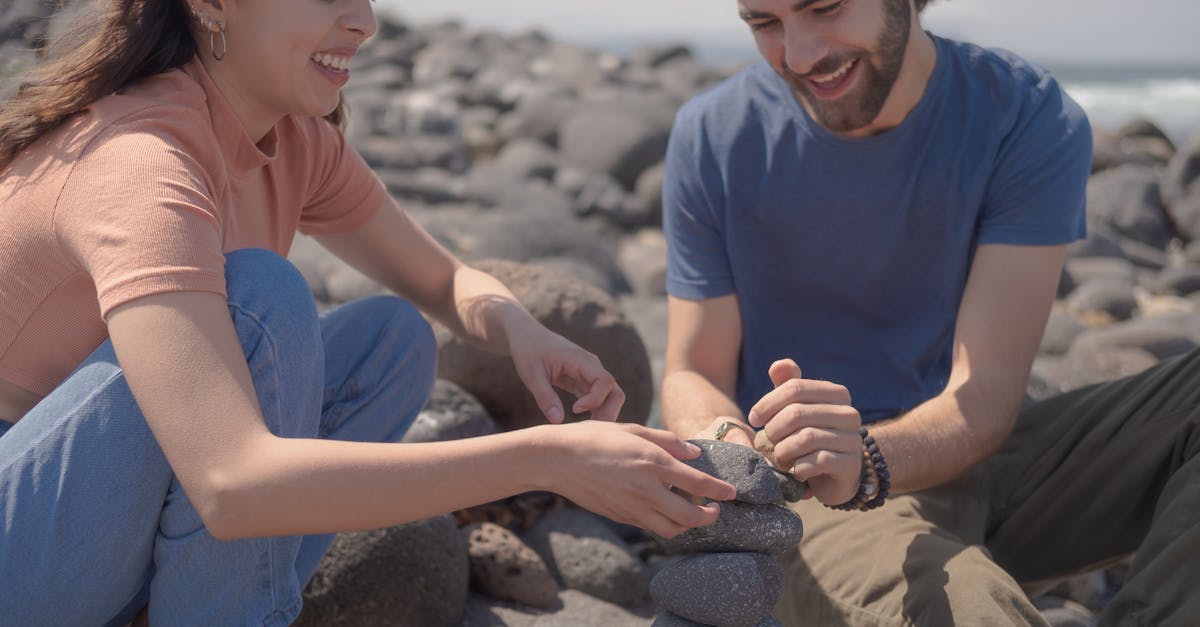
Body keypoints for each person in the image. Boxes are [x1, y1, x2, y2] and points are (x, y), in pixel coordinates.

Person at [0, 0, 739, 624]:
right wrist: (547, 458)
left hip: (100, 528)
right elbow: (230, 483)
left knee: (391, 341)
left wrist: (522, 329)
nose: (364, 21)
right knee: (261, 300)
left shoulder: (289, 140)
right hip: (20, 552)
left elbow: (443, 280)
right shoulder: (140, 163)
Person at [660, 0, 1199, 624]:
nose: (800, 55)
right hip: (811, 490)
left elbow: (987, 391)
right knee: (972, 613)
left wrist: (865, 458)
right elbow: (693, 369)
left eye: (826, 7)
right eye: (765, 23)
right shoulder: (715, 134)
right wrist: (733, 454)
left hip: (985, 457)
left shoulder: (1021, 114)